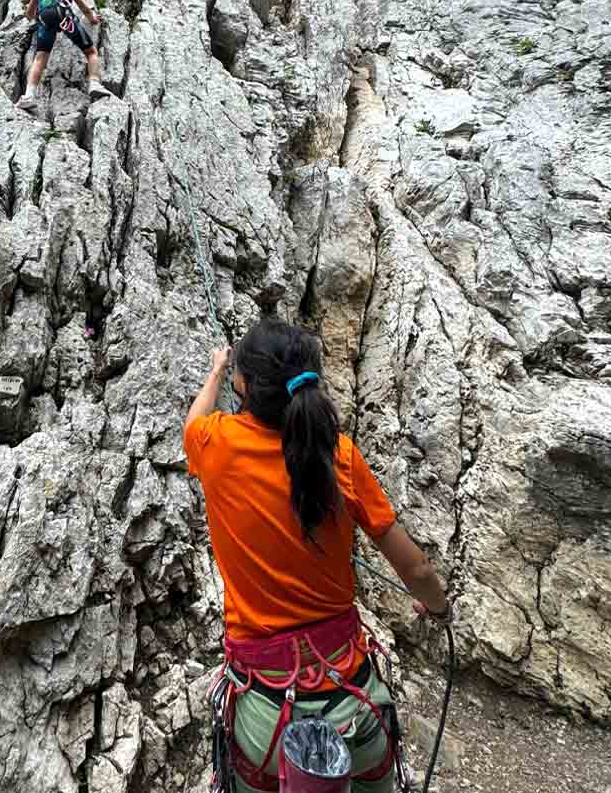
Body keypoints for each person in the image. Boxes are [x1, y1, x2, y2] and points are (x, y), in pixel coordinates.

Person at [184, 319, 451, 792]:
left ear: (244, 385)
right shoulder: (339, 455)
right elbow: (417, 567)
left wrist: (215, 372)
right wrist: (437, 608)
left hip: (264, 715)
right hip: (356, 705)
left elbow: (194, 422)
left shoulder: (216, 446)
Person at [16, 0, 109, 110]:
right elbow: (84, 8)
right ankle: (94, 83)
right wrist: (93, 18)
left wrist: (35, 16)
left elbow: (30, 14)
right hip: (62, 14)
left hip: (44, 19)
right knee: (90, 51)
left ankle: (29, 95)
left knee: (40, 58)